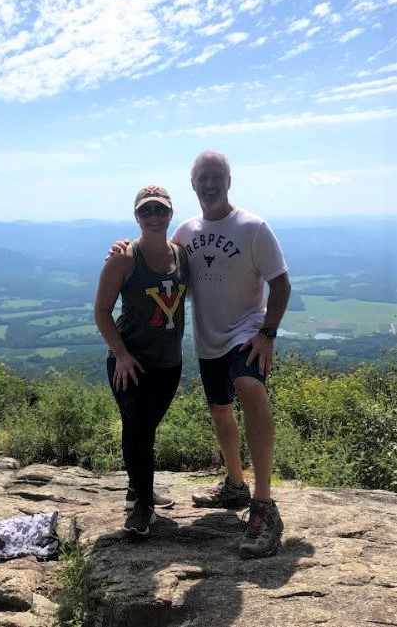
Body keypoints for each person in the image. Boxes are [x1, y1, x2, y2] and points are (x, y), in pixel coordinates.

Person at [110, 152, 291, 559]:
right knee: (220, 411)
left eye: (216, 177)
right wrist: (122, 249)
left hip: (246, 333)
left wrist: (267, 335)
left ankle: (264, 505)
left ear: (229, 180)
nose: (209, 185)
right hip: (208, 341)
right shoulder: (186, 232)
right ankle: (234, 485)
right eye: (202, 179)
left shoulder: (254, 227)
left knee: (249, 387)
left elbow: (281, 285)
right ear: (193, 185)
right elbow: (159, 261)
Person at [94, 185, 188, 537]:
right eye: (146, 211)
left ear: (170, 214)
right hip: (130, 362)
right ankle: (141, 507)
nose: (154, 216)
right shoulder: (123, 258)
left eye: (160, 210)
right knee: (137, 430)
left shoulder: (182, 255)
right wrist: (121, 354)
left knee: (147, 429)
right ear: (137, 216)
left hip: (169, 362)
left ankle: (140, 487)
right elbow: (101, 311)